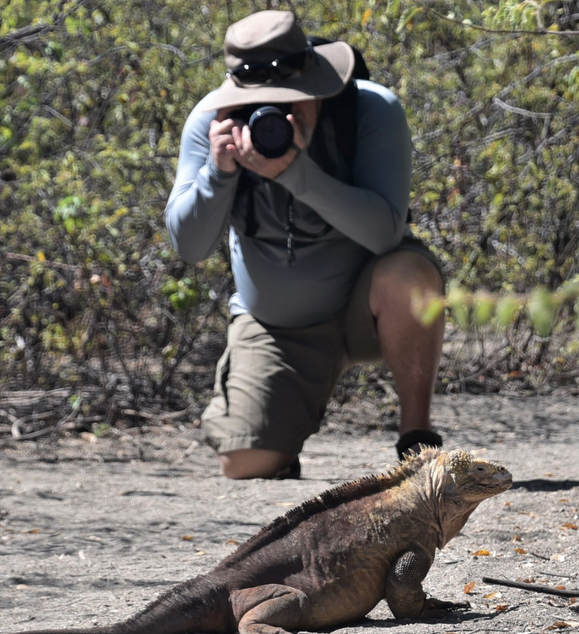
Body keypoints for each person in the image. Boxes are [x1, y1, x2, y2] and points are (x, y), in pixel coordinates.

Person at [165, 10, 445, 479]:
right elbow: (190, 247)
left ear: (318, 86)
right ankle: (280, 428)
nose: (278, 116)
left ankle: (416, 438)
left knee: (409, 274)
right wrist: (218, 173)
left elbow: (384, 232)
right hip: (277, 327)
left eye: (290, 100)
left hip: (367, 308)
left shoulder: (371, 110)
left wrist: (298, 175)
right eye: (263, 104)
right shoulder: (213, 124)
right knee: (244, 463)